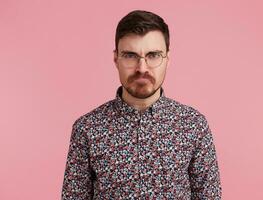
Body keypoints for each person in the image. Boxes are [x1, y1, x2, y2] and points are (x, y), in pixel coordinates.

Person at [61, 10, 222, 199]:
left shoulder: (193, 125)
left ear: (167, 59)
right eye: (130, 55)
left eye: (153, 55)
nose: (142, 68)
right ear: (116, 59)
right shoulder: (86, 129)